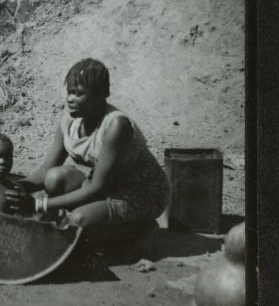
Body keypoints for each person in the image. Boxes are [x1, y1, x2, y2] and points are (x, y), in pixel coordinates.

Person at [9, 59, 170, 228]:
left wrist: (38, 205)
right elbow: (46, 170)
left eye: (79, 94)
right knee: (54, 177)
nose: (70, 99)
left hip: (141, 194)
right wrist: (16, 186)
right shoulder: (69, 122)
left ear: (101, 95)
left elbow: (97, 188)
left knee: (79, 219)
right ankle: (70, 221)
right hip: (108, 187)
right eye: (69, 92)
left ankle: (140, 230)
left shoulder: (116, 126)